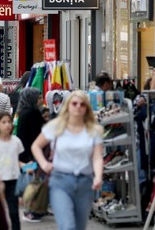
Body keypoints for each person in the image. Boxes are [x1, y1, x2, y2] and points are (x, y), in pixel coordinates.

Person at [31, 90, 104, 230]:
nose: (78, 107)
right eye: (74, 103)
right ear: (68, 106)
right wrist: (44, 164)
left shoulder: (94, 130)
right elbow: (36, 146)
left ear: (87, 108)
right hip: (60, 181)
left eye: (82, 104)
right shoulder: (56, 127)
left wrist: (98, 177)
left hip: (85, 182)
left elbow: (97, 157)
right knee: (68, 226)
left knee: (79, 226)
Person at [0, 112, 24, 230]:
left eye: (9, 122)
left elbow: (16, 160)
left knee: (14, 212)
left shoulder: (16, 141)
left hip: (13, 179)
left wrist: (26, 166)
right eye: (3, 122)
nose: (7, 125)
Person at [15, 87, 45, 223]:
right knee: (33, 182)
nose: (41, 100)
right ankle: (32, 209)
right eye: (38, 98)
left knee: (33, 181)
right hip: (31, 154)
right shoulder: (32, 113)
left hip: (25, 153)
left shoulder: (23, 112)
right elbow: (35, 135)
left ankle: (36, 207)